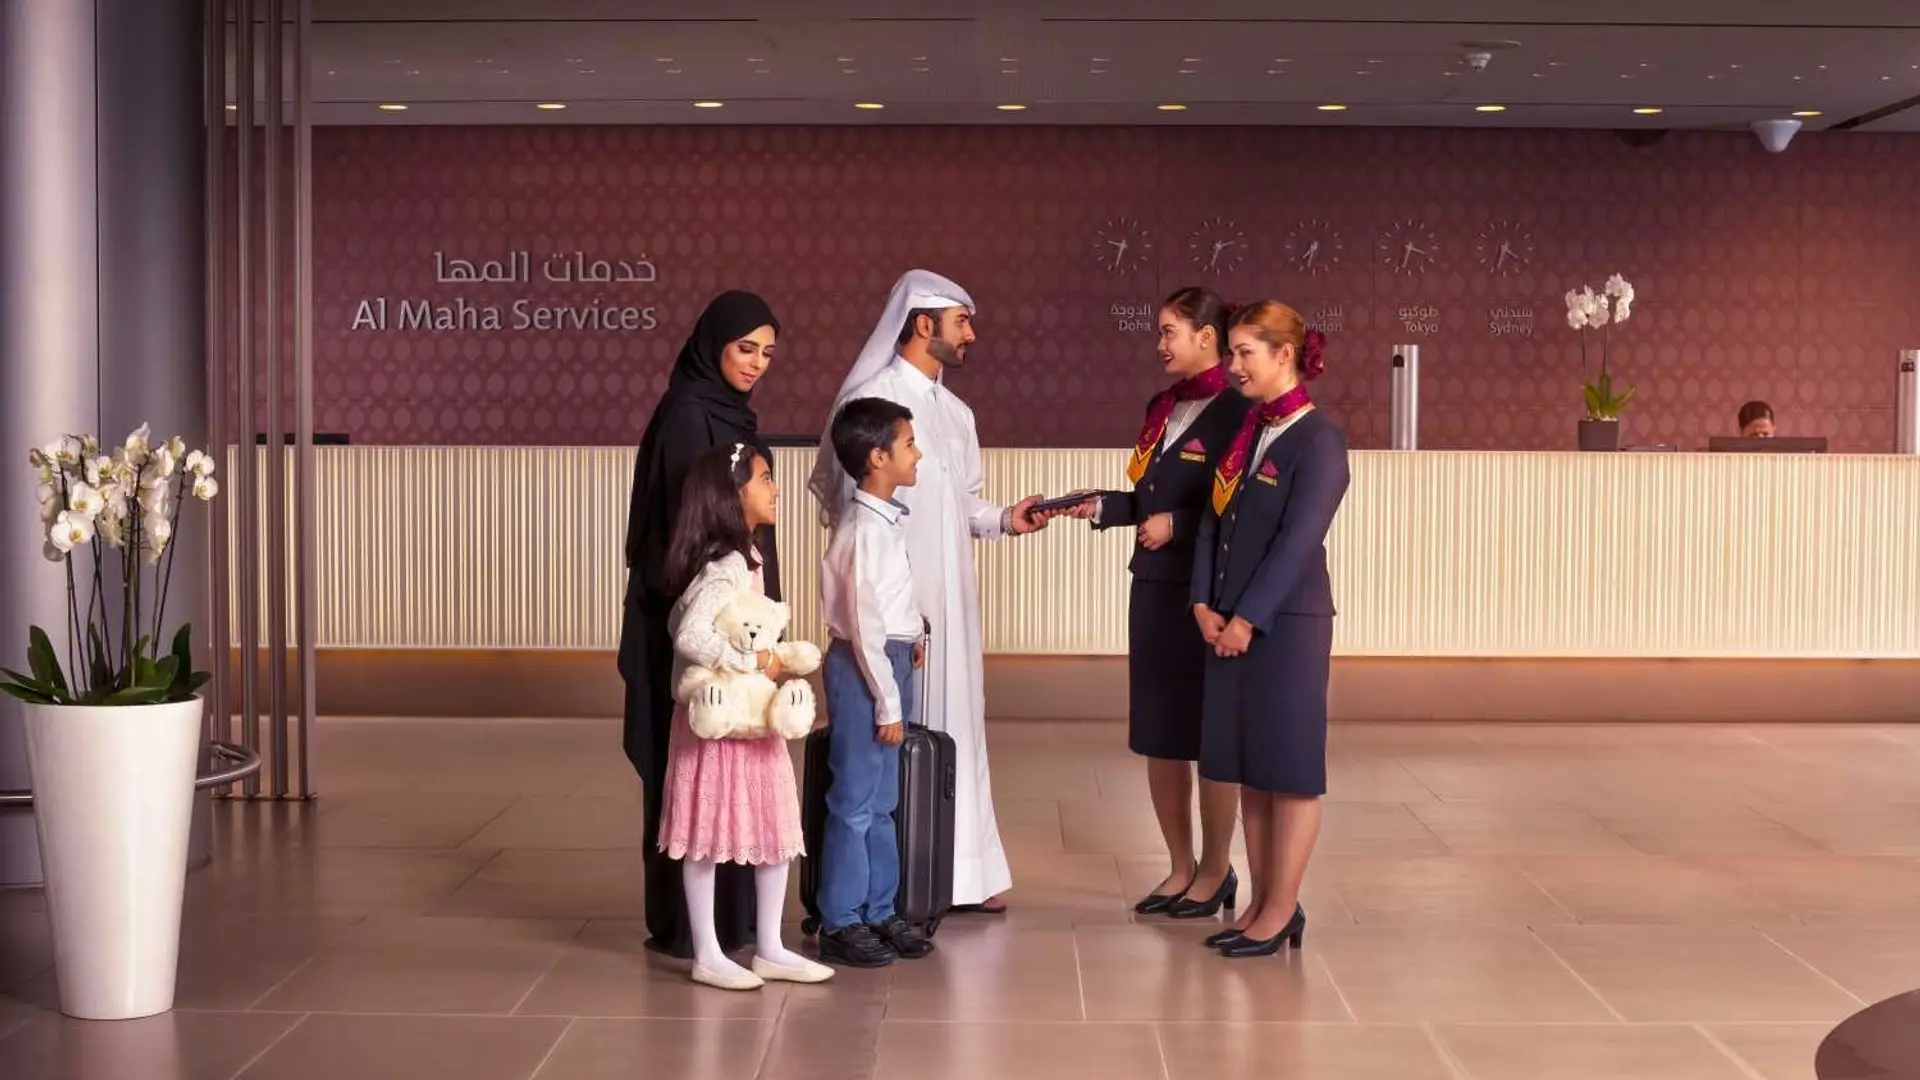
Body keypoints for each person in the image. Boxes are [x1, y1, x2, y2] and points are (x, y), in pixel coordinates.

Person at [807, 269, 1055, 915]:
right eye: (962, 322)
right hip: (891, 611)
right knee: (885, 743)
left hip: (953, 603)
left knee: (957, 729)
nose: (971, 334)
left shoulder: (955, 411)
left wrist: (1004, 518)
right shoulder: (873, 399)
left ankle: (962, 874)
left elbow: (965, 504)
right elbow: (849, 509)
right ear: (924, 323)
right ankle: (884, 891)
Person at [1075, 286, 1248, 919]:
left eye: (1169, 331)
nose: (1159, 344)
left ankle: (1216, 868)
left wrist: (1178, 524)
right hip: (1151, 585)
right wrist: (1098, 507)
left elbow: (1239, 504)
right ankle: (1179, 867)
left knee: (1209, 735)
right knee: (1160, 734)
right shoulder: (1164, 406)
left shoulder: (1238, 412)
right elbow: (1145, 498)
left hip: (1205, 590)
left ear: (1208, 337)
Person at [618, 291, 782, 959]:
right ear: (713, 345)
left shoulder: (729, 412)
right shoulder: (688, 414)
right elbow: (681, 536)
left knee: (739, 770)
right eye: (747, 348)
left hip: (734, 622)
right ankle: (693, 929)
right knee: (696, 771)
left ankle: (736, 925)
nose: (758, 363)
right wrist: (722, 637)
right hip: (697, 627)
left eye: (768, 353)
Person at [1192, 301, 1349, 959]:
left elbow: (1297, 541)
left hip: (1284, 628)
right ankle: (1258, 903)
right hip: (1226, 623)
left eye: (1244, 353)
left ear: (1284, 354)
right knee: (1249, 770)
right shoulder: (1248, 432)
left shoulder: (1320, 441)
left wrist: (1248, 619)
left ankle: (1282, 908)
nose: (1232, 367)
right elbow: (1211, 520)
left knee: (1288, 771)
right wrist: (1203, 603)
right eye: (1230, 353)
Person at [657, 443, 832, 991]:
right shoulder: (726, 564)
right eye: (764, 478)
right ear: (733, 494)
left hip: (750, 723)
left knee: (775, 825)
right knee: (706, 831)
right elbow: (687, 634)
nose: (775, 488)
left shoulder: (747, 557)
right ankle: (708, 952)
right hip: (721, 721)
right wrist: (752, 660)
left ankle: (771, 947)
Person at [815, 396, 938, 967]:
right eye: (908, 443)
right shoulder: (864, 529)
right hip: (866, 672)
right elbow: (863, 626)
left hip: (889, 661)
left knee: (884, 799)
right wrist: (888, 702)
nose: (917, 453)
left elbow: (889, 604)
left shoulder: (886, 522)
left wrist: (916, 631)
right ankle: (839, 919)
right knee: (855, 802)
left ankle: (880, 909)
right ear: (876, 457)